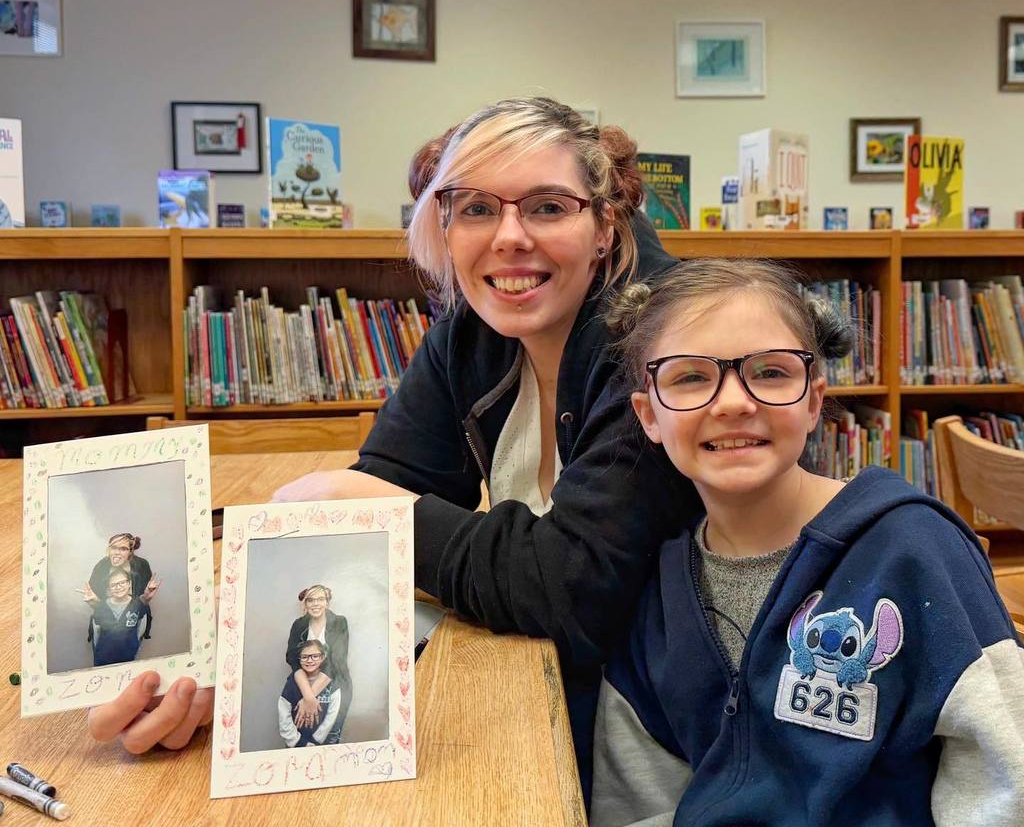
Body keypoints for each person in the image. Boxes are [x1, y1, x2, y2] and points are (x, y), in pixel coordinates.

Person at [87, 98, 699, 789]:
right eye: (474, 209)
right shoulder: (473, 330)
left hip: (664, 739)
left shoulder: (670, 343)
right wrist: (230, 664)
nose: (508, 237)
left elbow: (574, 589)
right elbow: (380, 501)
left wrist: (383, 511)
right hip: (541, 687)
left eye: (548, 207)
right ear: (443, 224)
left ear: (603, 223)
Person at [589, 258, 1024, 827]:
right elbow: (640, 799)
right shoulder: (657, 596)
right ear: (649, 415)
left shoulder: (914, 549)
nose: (733, 402)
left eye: (770, 373)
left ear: (814, 400)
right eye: (690, 377)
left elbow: (1002, 772)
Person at [284, 585, 352, 734]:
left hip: (334, 686)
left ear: (327, 602)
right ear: (305, 604)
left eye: (320, 599)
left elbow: (336, 661)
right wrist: (308, 695)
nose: (315, 604)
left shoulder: (340, 622)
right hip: (303, 685)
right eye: (310, 600)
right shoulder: (298, 625)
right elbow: (293, 659)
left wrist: (309, 698)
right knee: (300, 734)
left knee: (328, 735)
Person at [81, 568, 153, 667]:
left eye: (122, 582)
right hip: (102, 660)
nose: (118, 587)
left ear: (129, 583)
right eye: (113, 585)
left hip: (129, 660)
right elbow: (96, 635)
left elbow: (140, 632)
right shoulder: (101, 606)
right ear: (109, 588)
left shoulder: (137, 605)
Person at [278, 641, 344, 748]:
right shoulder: (292, 683)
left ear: (323, 658)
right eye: (304, 657)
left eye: (315, 656)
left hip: (321, 744)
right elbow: (284, 715)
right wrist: (298, 741)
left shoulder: (333, 685)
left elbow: (331, 716)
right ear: (299, 659)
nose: (309, 660)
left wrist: (315, 741)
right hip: (295, 744)